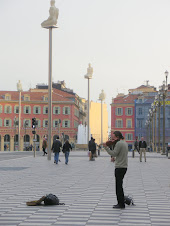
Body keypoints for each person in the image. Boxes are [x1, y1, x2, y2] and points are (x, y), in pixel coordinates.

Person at [106, 131, 128, 209]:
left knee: (118, 186)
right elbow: (121, 155)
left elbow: (114, 153)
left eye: (114, 137)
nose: (112, 139)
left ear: (118, 137)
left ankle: (121, 204)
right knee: (120, 185)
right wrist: (115, 159)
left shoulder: (119, 143)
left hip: (119, 167)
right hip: (124, 166)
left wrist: (106, 147)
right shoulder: (124, 143)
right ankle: (121, 202)